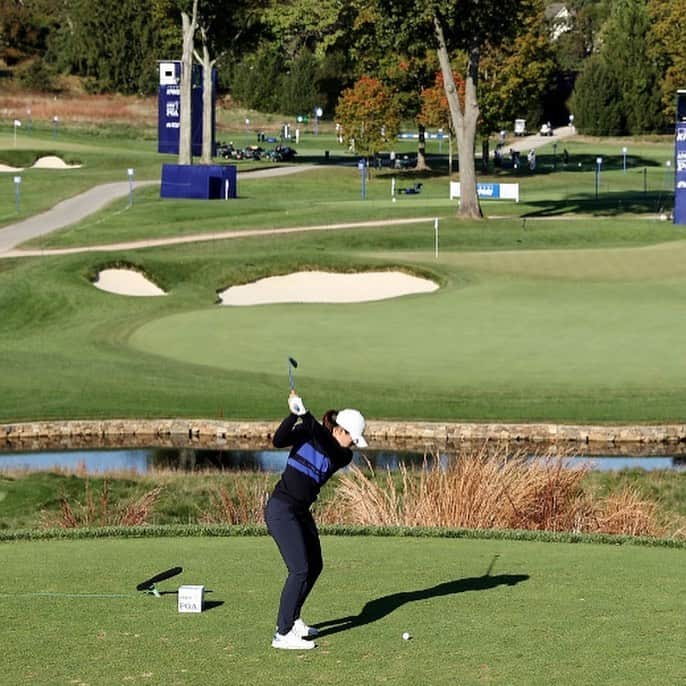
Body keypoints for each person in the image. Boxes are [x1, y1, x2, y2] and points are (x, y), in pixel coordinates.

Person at [265, 392, 368, 650]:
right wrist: (293, 415)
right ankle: (282, 633)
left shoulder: (342, 455)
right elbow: (278, 441)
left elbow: (325, 442)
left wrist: (304, 414)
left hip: (301, 511)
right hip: (281, 509)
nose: (352, 446)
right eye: (352, 440)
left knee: (315, 564)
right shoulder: (310, 433)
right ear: (341, 430)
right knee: (299, 569)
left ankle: (294, 618)